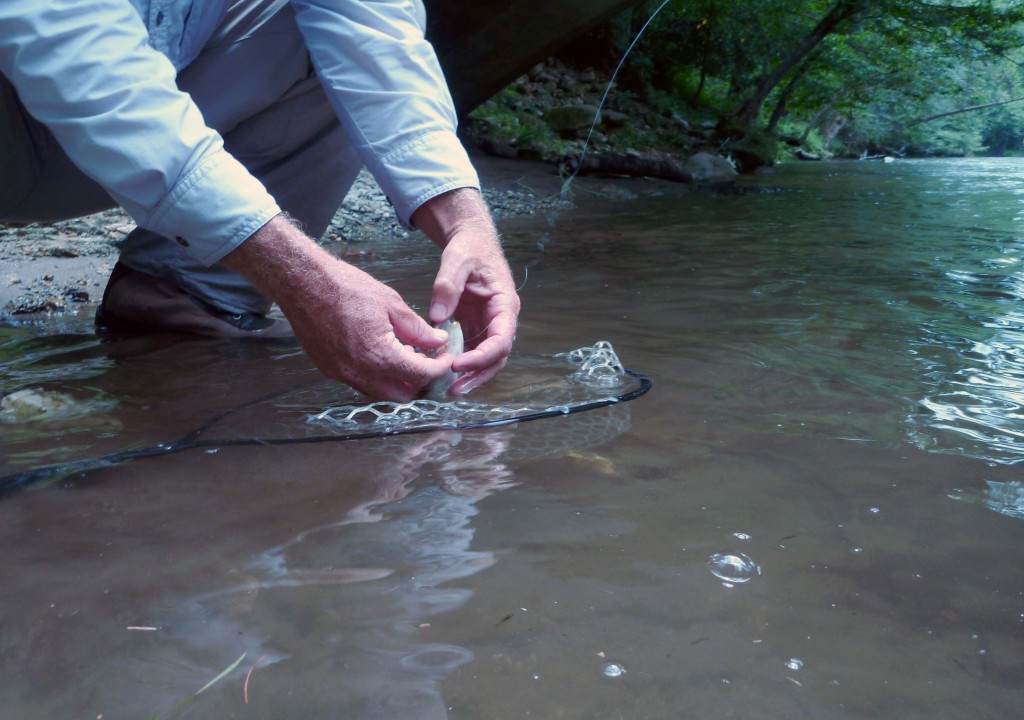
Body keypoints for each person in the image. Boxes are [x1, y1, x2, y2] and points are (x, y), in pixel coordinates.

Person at [0, 0, 520, 401]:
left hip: (106, 119)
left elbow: (375, 36)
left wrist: (463, 220)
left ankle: (181, 298)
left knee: (322, 38)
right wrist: (304, 281)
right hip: (27, 122)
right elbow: (89, 76)